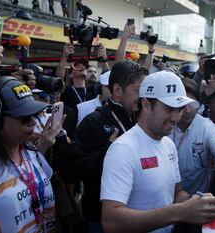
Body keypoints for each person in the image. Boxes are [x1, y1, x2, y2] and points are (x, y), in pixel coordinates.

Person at [100, 71, 215, 233]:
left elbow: (176, 192)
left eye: (179, 109)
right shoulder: (123, 150)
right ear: (146, 104)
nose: (175, 117)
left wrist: (196, 203)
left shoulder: (167, 144)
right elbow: (111, 222)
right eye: (169, 109)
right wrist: (180, 212)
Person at [57, 60, 149, 232]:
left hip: (139, 213)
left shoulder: (143, 118)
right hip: (101, 218)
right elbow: (71, 172)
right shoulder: (93, 121)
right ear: (117, 90)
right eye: (137, 91)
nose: (143, 97)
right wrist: (108, 152)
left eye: (145, 91)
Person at [0, 77, 60, 232]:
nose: (33, 122)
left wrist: (44, 146)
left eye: (34, 114)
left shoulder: (31, 152)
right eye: (24, 117)